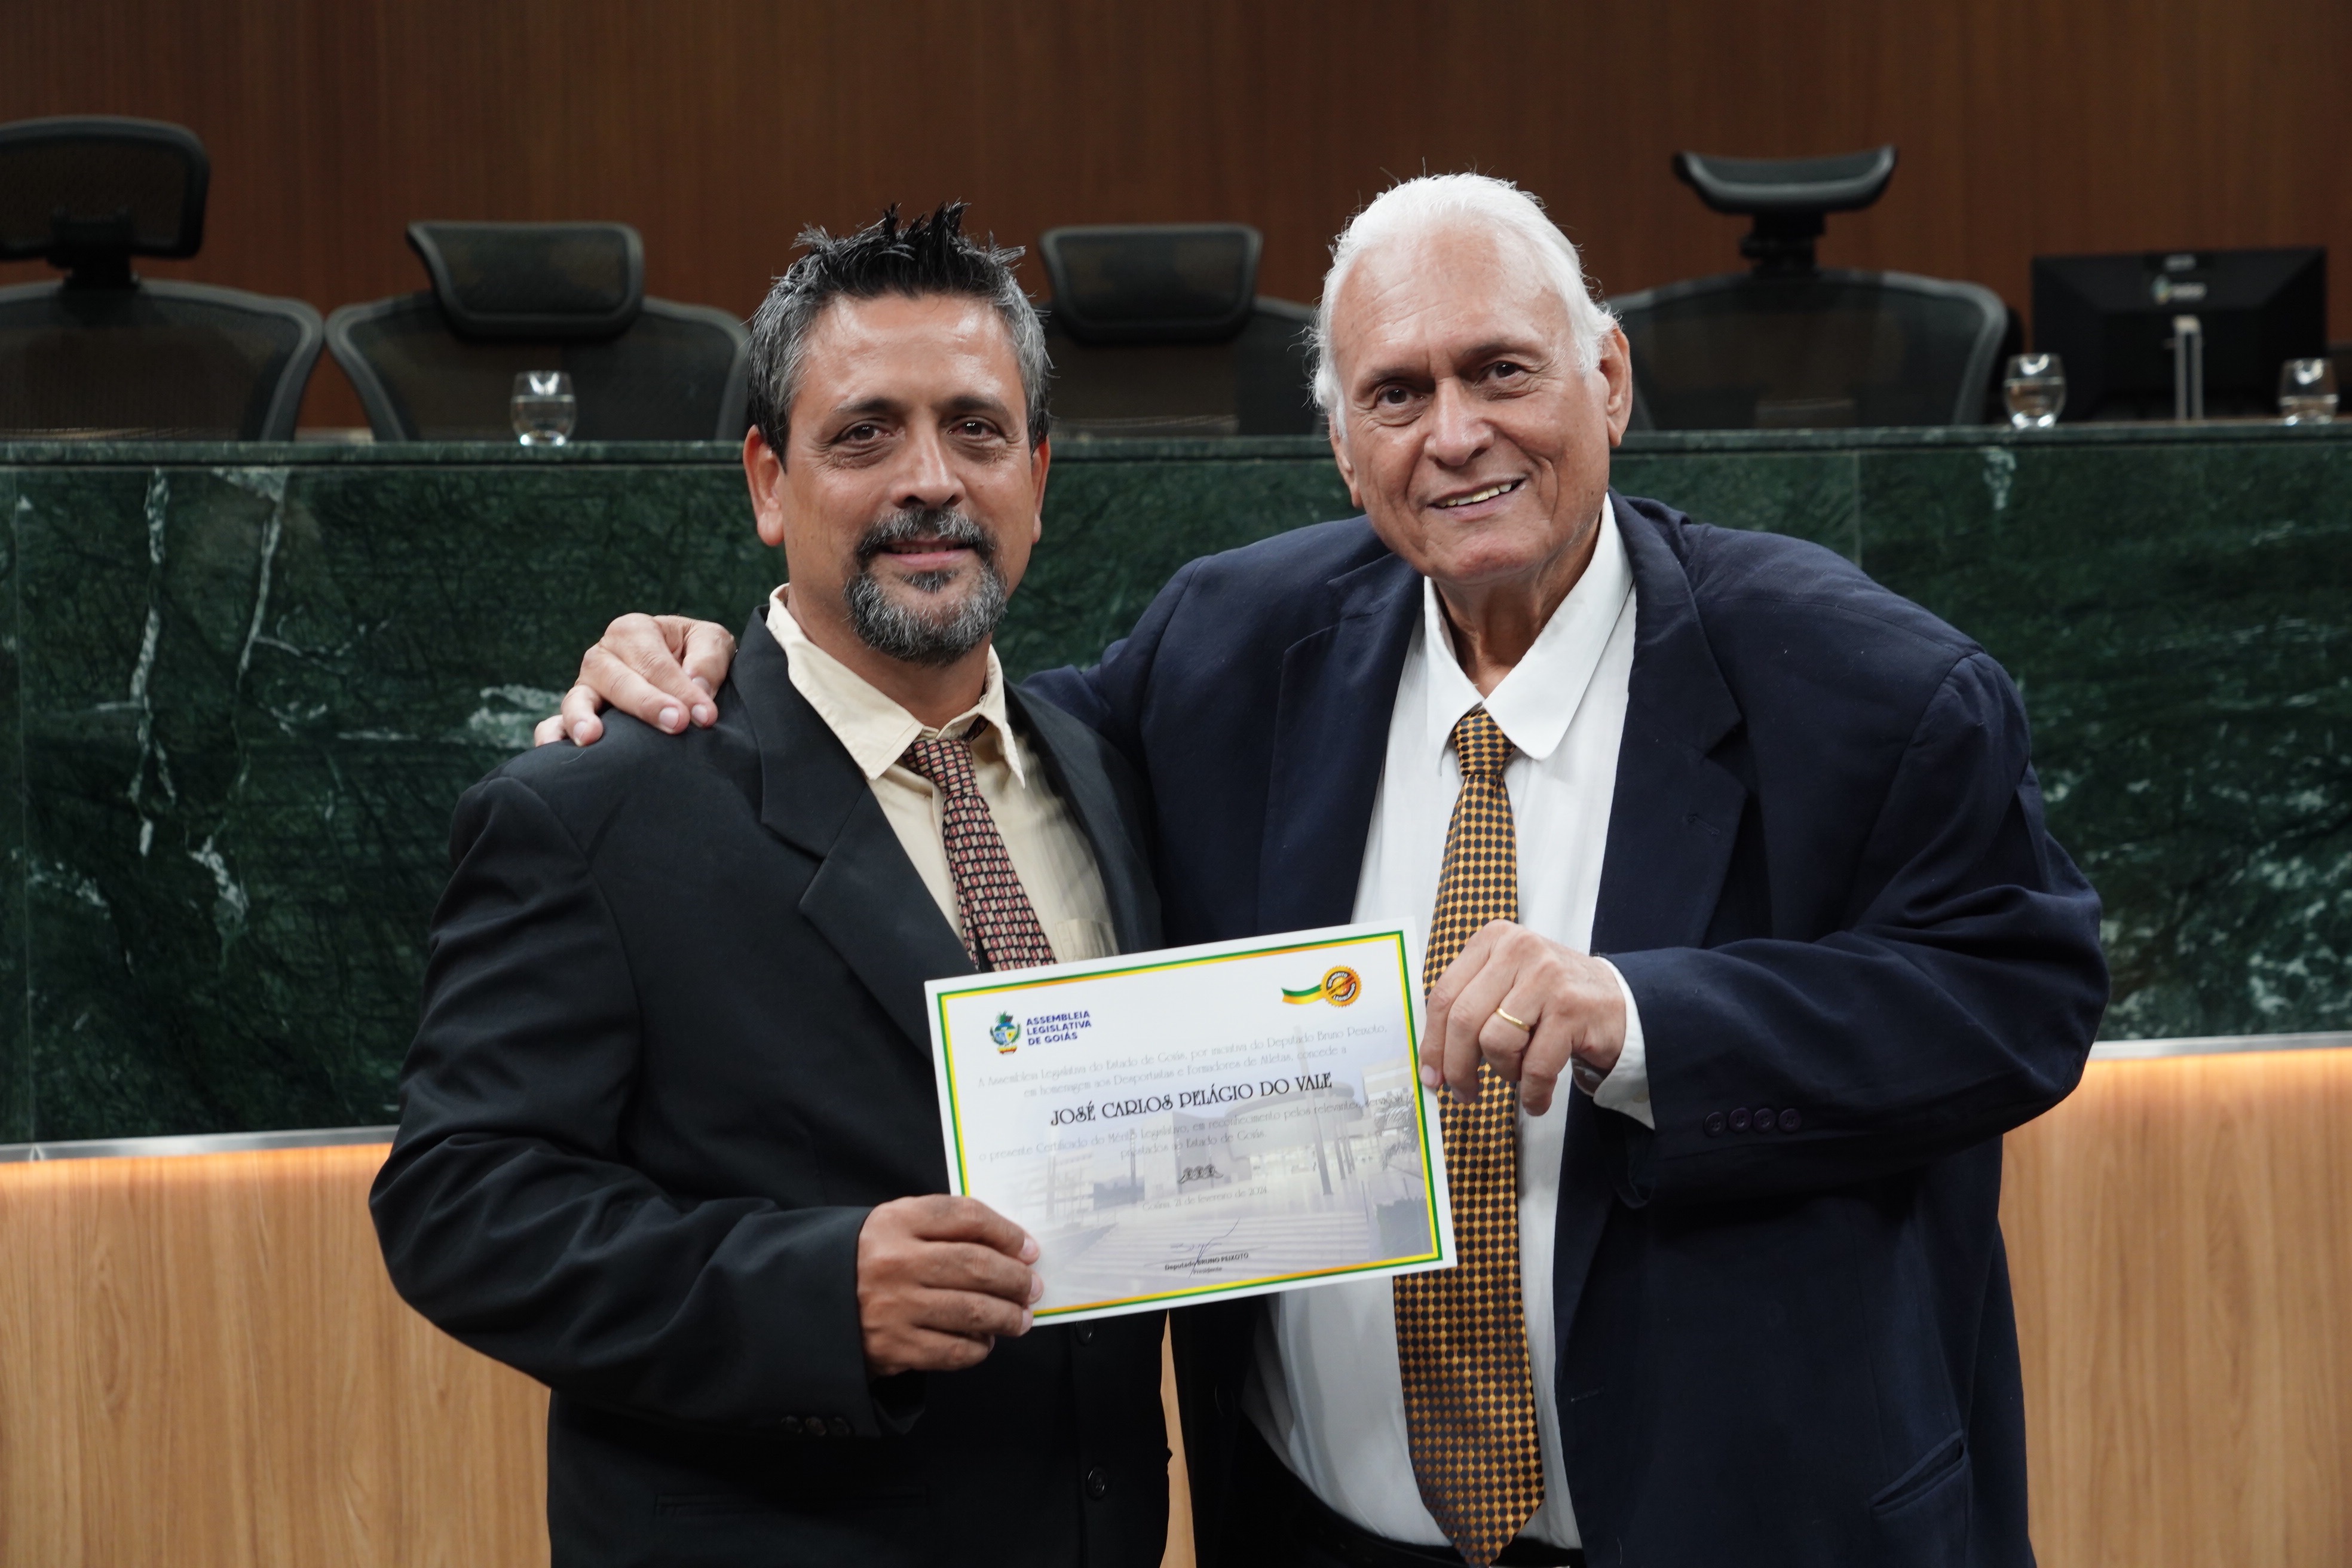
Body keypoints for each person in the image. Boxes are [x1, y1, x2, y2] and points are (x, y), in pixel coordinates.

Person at [544, 176, 2108, 1568]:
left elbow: (2020, 992)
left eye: (1503, 371)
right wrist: (722, 662)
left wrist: (1645, 1021)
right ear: (1344, 446)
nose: (1456, 434)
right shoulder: (1234, 650)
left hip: (1755, 1529)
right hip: (1313, 1531)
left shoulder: (1869, 685)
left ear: (1611, 380)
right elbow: (966, 742)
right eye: (1397, 393)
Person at [370, 205, 1172, 1568]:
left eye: (978, 431)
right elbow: (458, 1205)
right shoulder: (592, 811)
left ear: (1038, 475)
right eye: (865, 435)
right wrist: (816, 1295)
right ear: (765, 480)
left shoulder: (1110, 773)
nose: (931, 481)